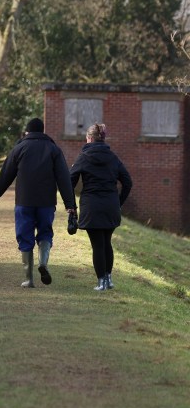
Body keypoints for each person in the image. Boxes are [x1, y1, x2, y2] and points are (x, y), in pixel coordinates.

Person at [0, 118, 77, 288]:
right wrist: (70, 205)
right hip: (47, 202)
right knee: (45, 233)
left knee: (24, 236)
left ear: (27, 132)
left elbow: (5, 175)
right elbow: (64, 178)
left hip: (24, 202)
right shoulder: (53, 149)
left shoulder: (19, 148)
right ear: (42, 131)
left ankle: (28, 279)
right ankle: (43, 263)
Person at [69, 123, 132, 291]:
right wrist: (119, 202)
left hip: (92, 206)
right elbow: (128, 182)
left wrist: (71, 206)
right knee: (107, 243)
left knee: (97, 245)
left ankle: (101, 282)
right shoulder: (113, 157)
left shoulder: (83, 157)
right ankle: (109, 279)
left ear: (88, 138)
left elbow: (70, 181)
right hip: (111, 205)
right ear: (103, 138)